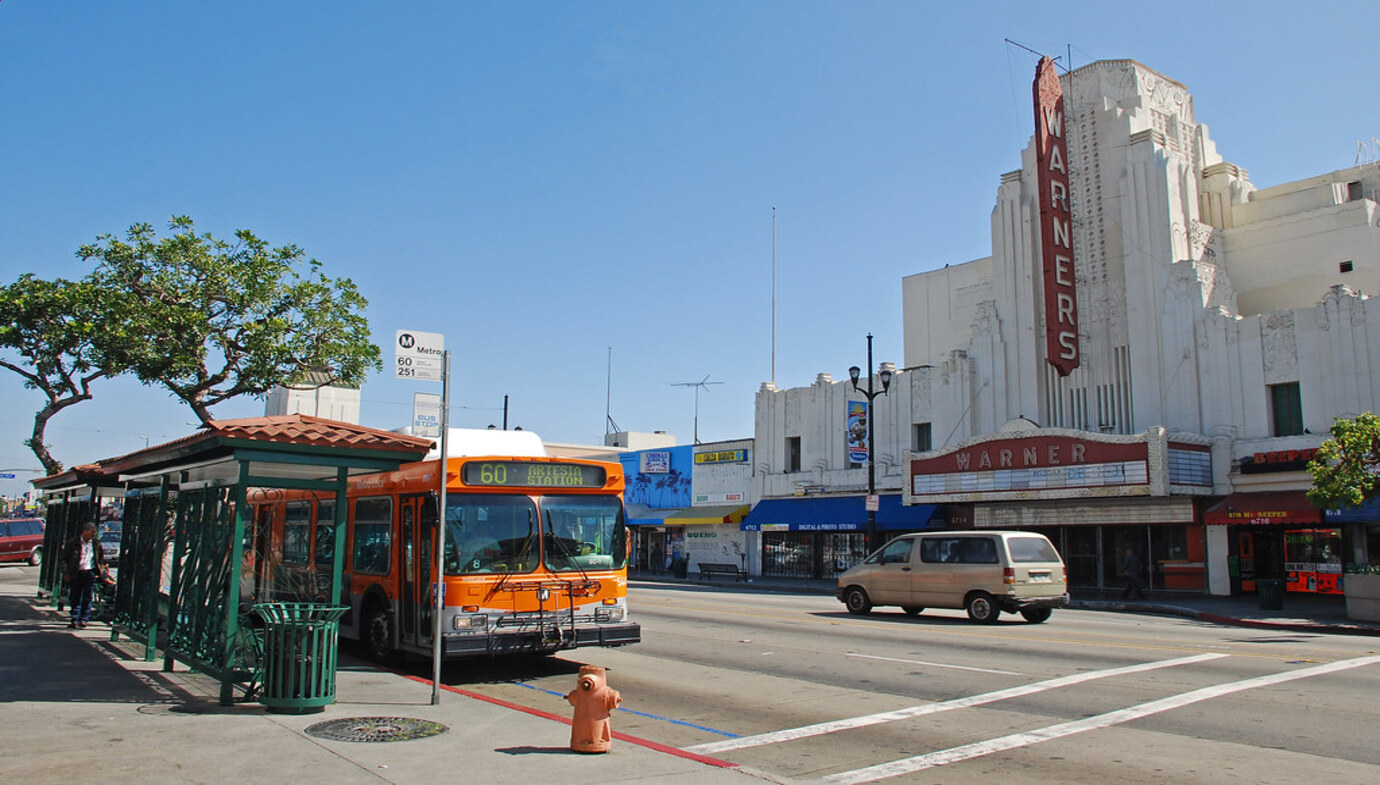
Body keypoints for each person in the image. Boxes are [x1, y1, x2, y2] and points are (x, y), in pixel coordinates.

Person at [62, 521, 108, 629]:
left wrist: (100, 570)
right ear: (84, 531)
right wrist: (66, 572)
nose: (93, 534)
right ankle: (75, 618)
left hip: (89, 572)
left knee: (88, 597)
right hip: (76, 573)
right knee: (75, 596)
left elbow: (100, 558)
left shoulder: (96, 544)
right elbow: (63, 558)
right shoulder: (73, 543)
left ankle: (84, 619)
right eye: (92, 532)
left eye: (94, 532)